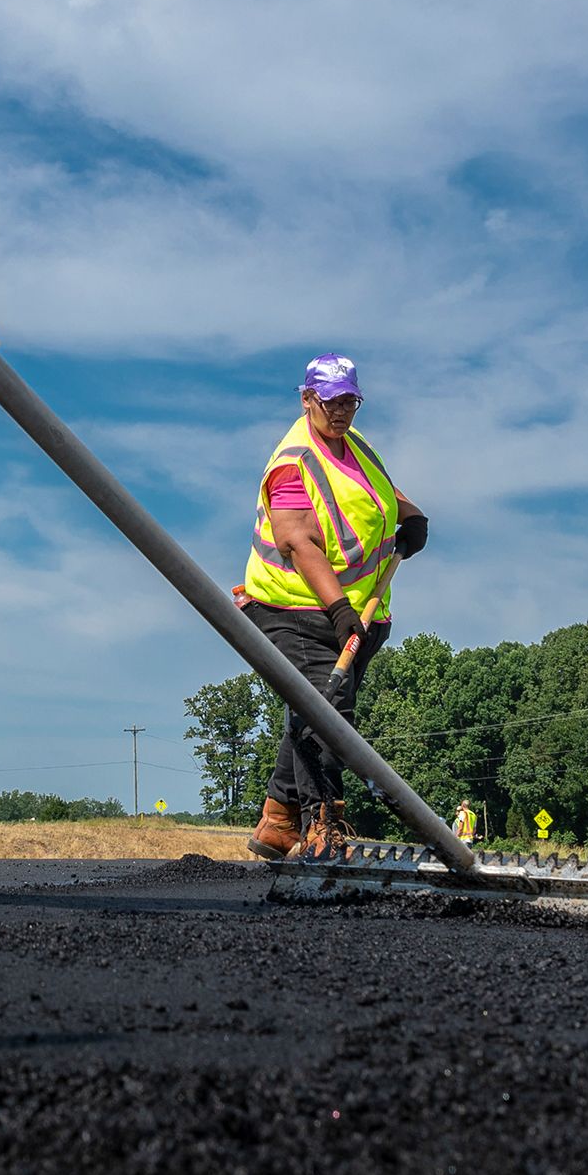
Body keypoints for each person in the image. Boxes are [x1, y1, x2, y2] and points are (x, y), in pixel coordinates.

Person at [240, 355, 427, 861]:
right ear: (307, 400)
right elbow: (298, 542)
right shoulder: (292, 462)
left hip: (358, 610)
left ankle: (278, 820)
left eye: (349, 401)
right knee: (328, 714)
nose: (341, 411)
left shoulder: (353, 443)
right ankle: (323, 825)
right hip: (292, 606)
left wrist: (410, 516)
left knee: (316, 707)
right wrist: (341, 609)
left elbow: (378, 489)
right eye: (331, 403)